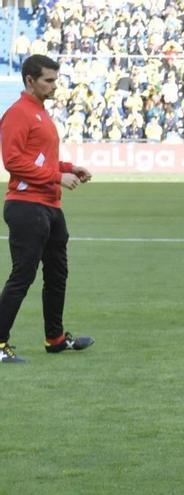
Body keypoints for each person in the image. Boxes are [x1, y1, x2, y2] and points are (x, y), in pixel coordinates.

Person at [0, 55, 95, 364]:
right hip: (27, 207)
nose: (55, 86)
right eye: (49, 80)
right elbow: (13, 161)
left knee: (57, 275)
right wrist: (57, 176)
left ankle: (54, 339)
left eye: (56, 80)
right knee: (22, 276)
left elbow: (40, 159)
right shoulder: (18, 114)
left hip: (50, 207)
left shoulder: (40, 113)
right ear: (30, 80)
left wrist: (69, 167)